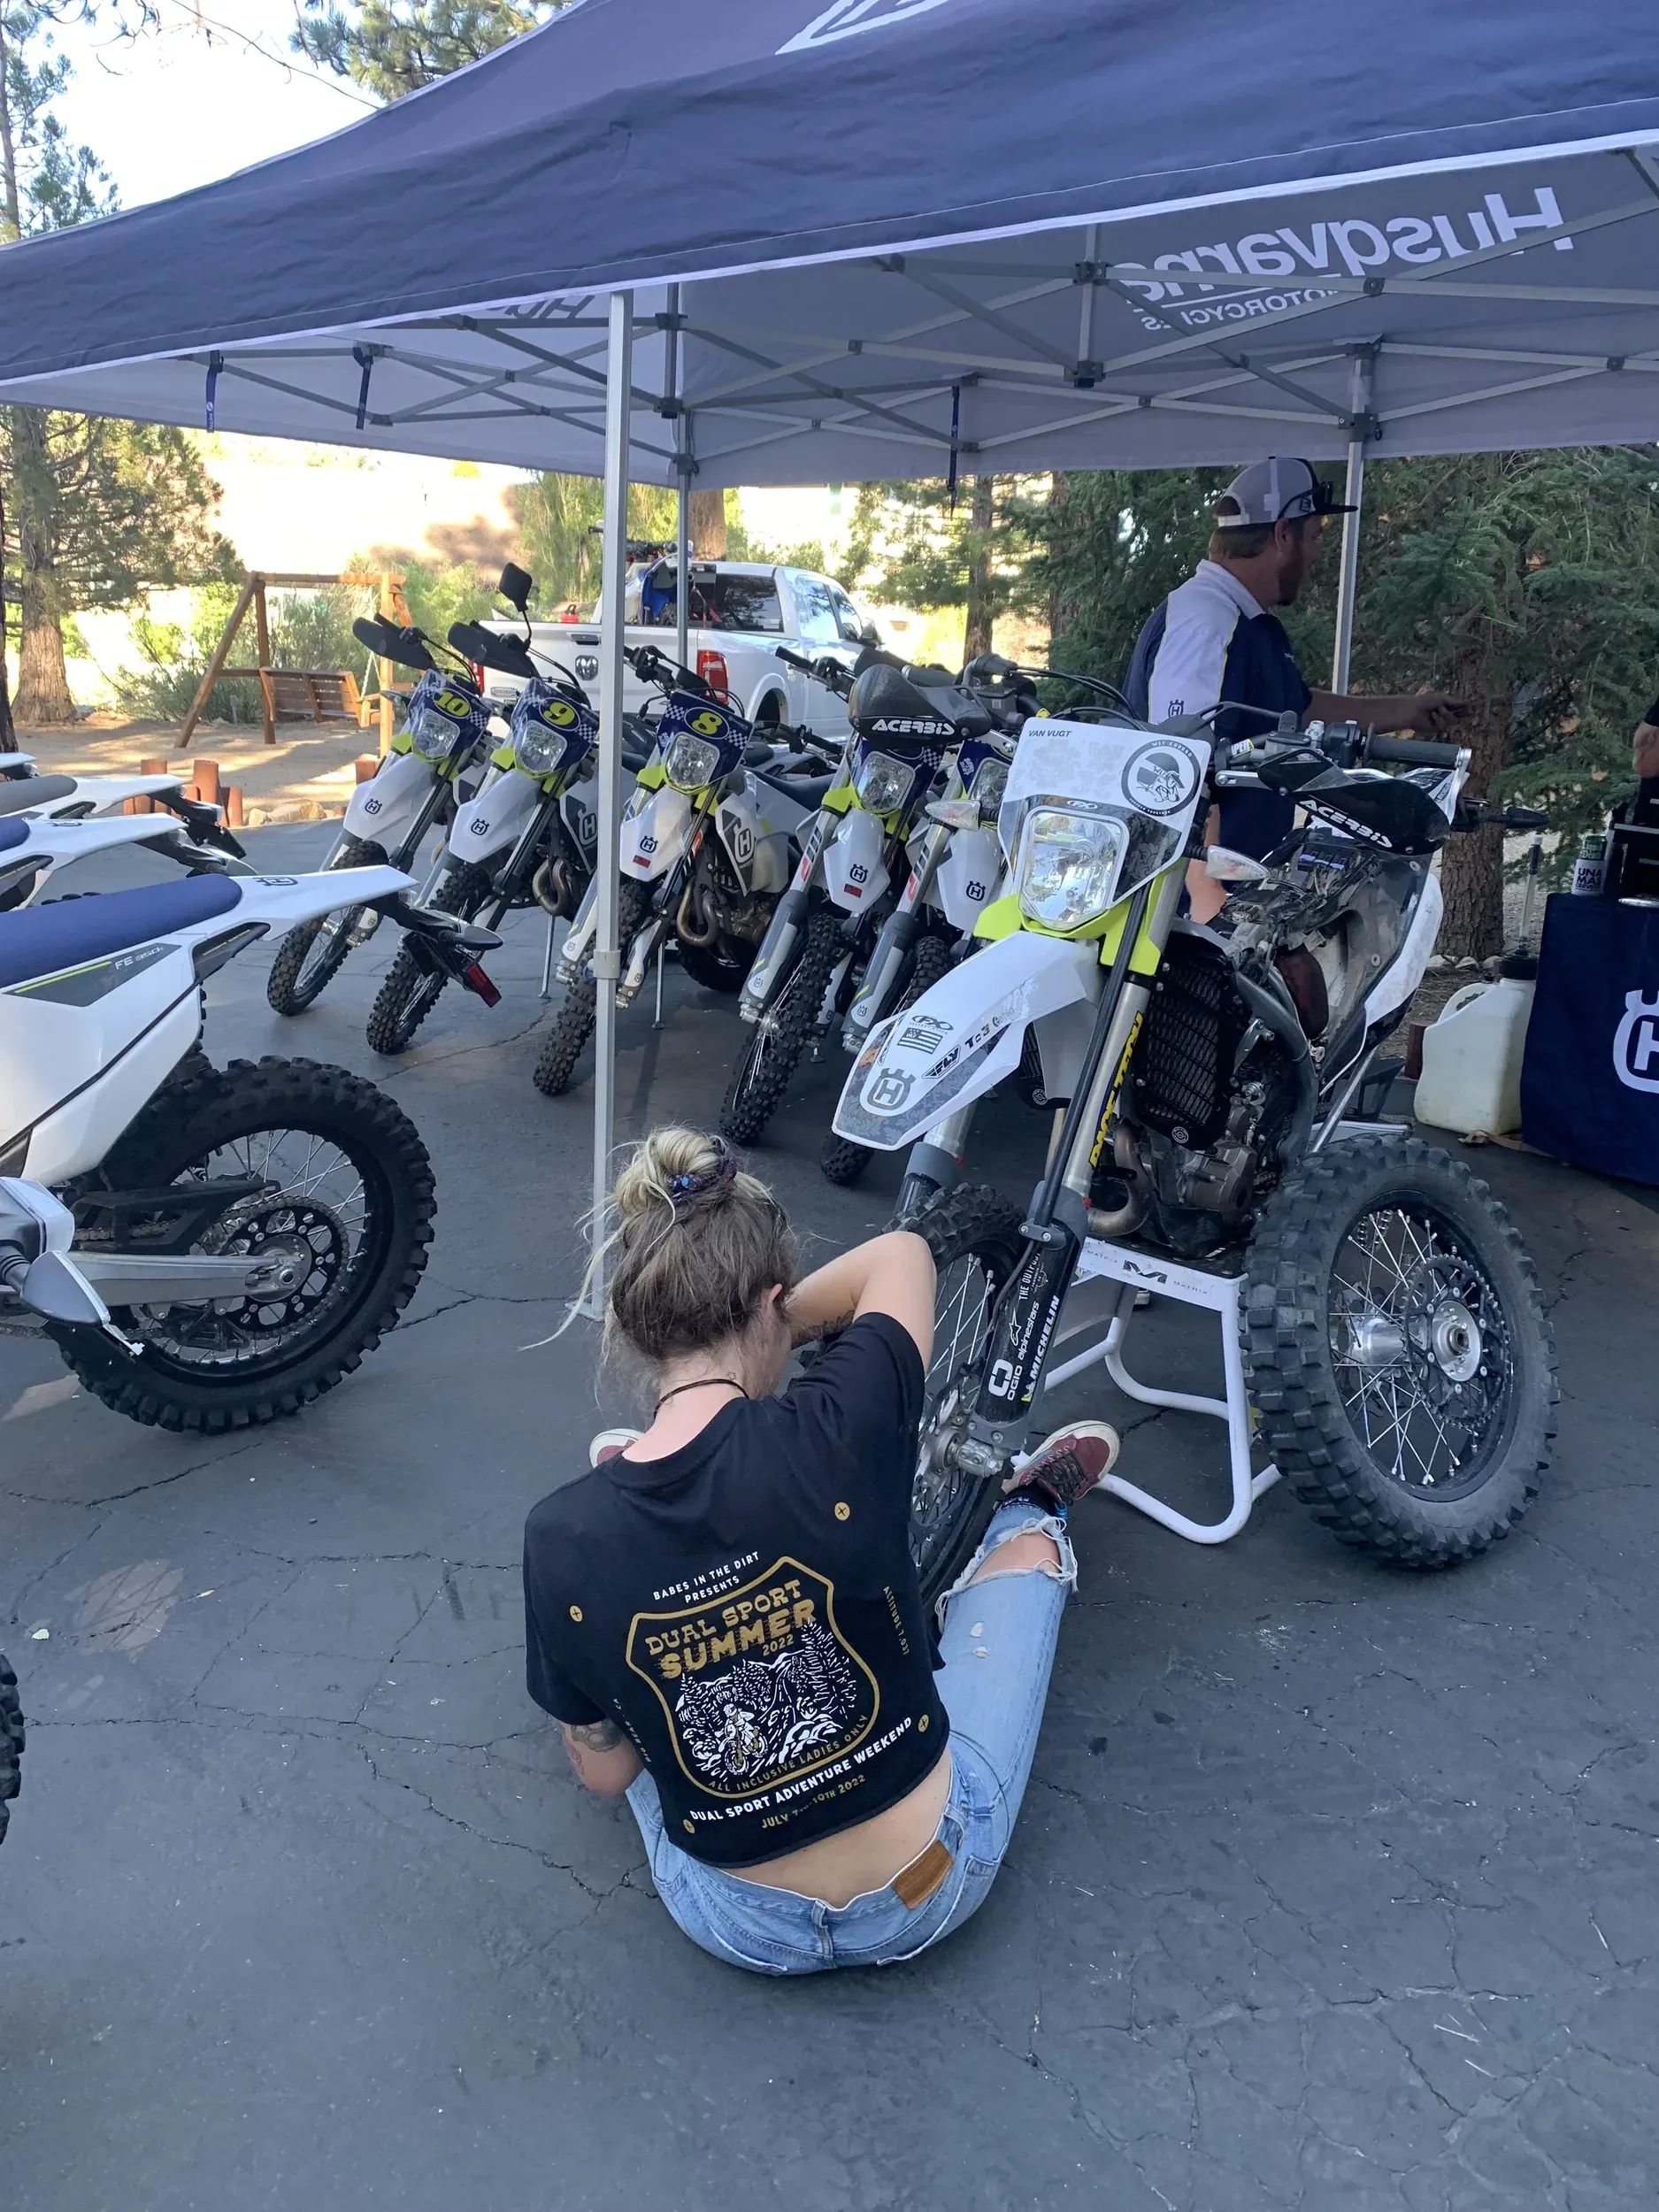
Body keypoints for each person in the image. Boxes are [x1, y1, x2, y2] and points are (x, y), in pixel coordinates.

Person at [521, 1128, 1118, 1975]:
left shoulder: (558, 1538)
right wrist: (769, 1325)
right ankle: (1033, 1511)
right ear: (771, 1298)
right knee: (1022, 1563)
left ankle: (643, 1466)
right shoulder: (842, 1421)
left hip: (735, 1921)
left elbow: (608, 1779)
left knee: (633, 1697)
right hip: (929, 1887)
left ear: (635, 1328)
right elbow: (902, 1255)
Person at [1124, 457, 1464, 921]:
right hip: (1192, 911)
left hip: (1236, 889)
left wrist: (1406, 711)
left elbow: (1296, 709)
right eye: (1317, 536)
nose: (1320, 553)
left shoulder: (1247, 621)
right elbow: (1179, 764)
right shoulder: (1206, 622)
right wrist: (1208, 902)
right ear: (1283, 534)